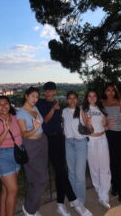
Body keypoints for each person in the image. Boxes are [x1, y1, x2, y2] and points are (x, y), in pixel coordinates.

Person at [36, 82, 92, 216]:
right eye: (47, 91)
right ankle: (75, 201)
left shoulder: (61, 106)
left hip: (61, 140)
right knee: (62, 171)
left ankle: (60, 204)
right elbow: (45, 121)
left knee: (61, 172)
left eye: (51, 91)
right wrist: (53, 110)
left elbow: (62, 124)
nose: (49, 93)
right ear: (44, 92)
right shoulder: (42, 104)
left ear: (55, 91)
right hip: (49, 140)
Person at [17, 86, 48, 216]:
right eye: (33, 96)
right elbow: (24, 134)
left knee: (37, 177)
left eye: (37, 97)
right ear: (26, 96)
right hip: (31, 145)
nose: (35, 99)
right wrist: (35, 129)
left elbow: (41, 123)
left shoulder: (35, 108)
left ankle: (32, 207)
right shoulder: (21, 113)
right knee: (41, 179)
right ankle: (29, 209)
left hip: (42, 142)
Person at [0, 96, 22, 216]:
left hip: (16, 154)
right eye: (0, 104)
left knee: (6, 190)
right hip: (2, 156)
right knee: (13, 190)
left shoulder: (15, 117)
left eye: (6, 103)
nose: (3, 106)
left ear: (10, 104)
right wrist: (4, 131)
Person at [82, 90, 111, 209]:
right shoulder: (84, 110)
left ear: (97, 97)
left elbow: (104, 125)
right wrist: (88, 124)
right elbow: (86, 128)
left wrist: (108, 126)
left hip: (103, 139)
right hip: (91, 141)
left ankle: (105, 196)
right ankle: (100, 193)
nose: (92, 98)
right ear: (87, 98)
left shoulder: (100, 109)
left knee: (105, 167)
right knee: (94, 169)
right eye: (90, 96)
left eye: (94, 95)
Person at [102, 83, 121, 203]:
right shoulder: (101, 104)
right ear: (105, 92)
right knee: (110, 162)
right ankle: (115, 186)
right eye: (108, 90)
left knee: (116, 163)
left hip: (119, 135)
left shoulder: (120, 103)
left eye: (113, 90)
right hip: (108, 135)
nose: (111, 92)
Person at [62, 91, 89, 203]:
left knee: (79, 175)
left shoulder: (82, 111)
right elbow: (63, 125)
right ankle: (74, 199)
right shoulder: (64, 111)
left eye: (74, 98)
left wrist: (88, 123)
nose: (72, 100)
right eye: (70, 98)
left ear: (77, 99)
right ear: (67, 100)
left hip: (81, 143)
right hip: (69, 142)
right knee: (71, 173)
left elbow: (88, 128)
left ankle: (81, 200)